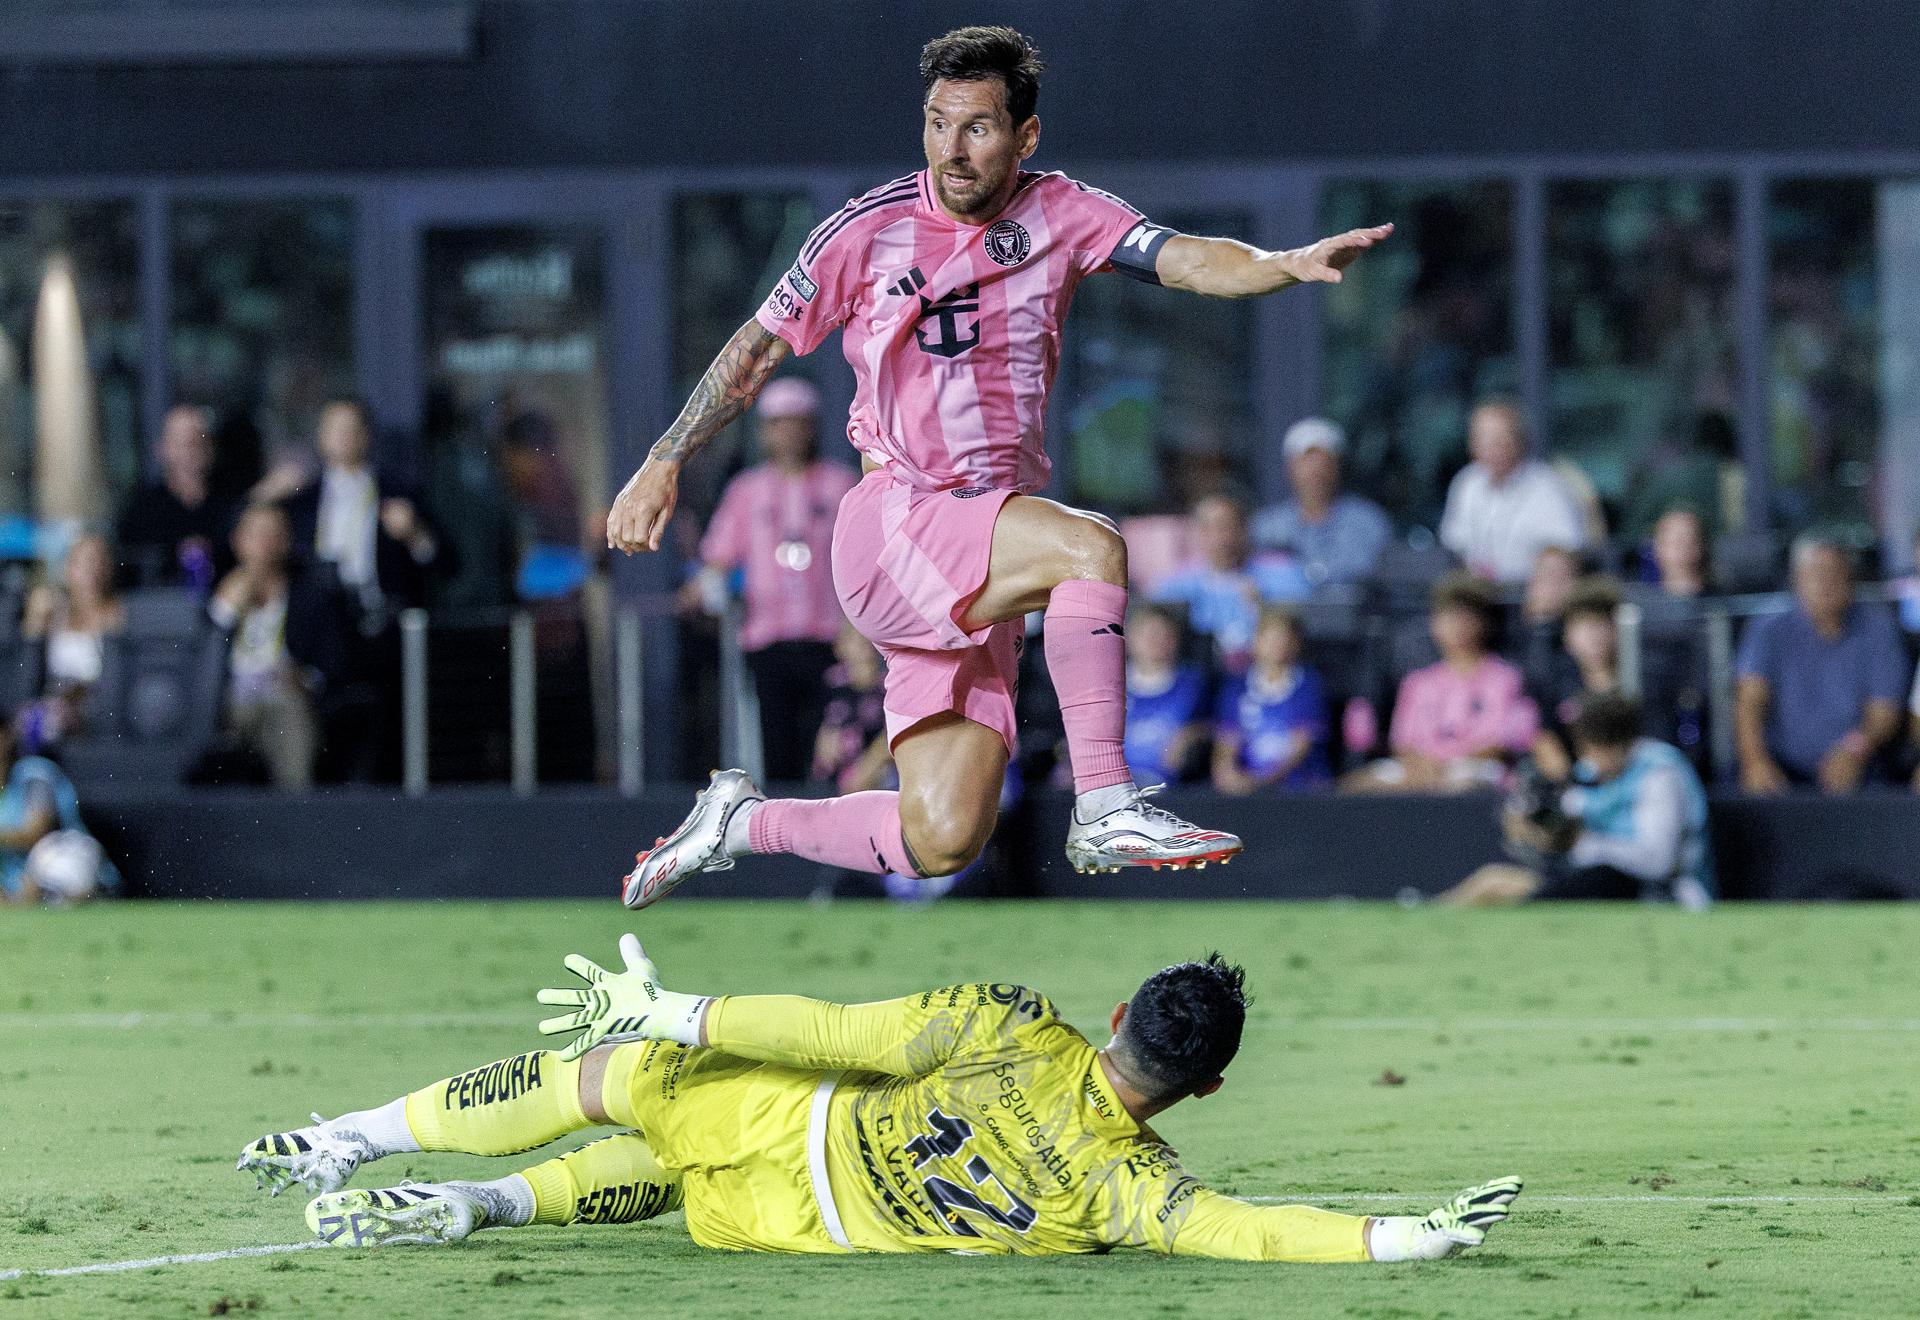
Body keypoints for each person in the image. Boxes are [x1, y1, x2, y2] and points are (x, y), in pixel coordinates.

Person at [605, 26, 1391, 893]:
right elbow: (755, 351)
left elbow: (1187, 259)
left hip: (986, 546)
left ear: (1026, 136)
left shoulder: (1062, 211)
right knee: (1092, 548)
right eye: (939, 123)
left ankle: (743, 821)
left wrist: (1281, 264)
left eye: (977, 126)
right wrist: (662, 458)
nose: (953, 149)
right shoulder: (867, 231)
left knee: (941, 835)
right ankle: (1105, 804)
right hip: (901, 522)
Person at [239, 937, 1522, 1262]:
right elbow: (1247, 1228)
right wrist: (1397, 1235)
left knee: (608, 1082)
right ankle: (484, 1209)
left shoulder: (1017, 1024)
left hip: (780, 1117)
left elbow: (835, 1029)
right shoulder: (1136, 1190)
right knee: (663, 1186)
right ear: (1209, 1086)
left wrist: (680, 1013)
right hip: (802, 1231)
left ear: (1121, 1013)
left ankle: (345, 1139)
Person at [685, 378, 859, 781]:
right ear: (765, 432)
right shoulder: (746, 491)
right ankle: (784, 829)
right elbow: (718, 556)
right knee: (775, 744)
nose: (788, 433)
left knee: (830, 747)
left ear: (811, 426)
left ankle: (826, 830)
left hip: (831, 637)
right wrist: (697, 591)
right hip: (767, 638)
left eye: (797, 423)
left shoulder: (840, 485)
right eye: (778, 424)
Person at [1439, 694, 1713, 909]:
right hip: (1595, 880)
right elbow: (1566, 835)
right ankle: (1429, 913)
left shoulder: (1659, 775)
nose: (1585, 756)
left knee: (1510, 892)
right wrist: (1537, 834)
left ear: (1620, 744)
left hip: (1662, 893)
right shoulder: (1589, 773)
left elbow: (1658, 862)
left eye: (1592, 747)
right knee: (1493, 878)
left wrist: (1586, 845)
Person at [1735, 537, 1907, 794]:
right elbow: (1749, 701)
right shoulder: (1768, 628)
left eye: (1836, 573)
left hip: (1859, 762)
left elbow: (1885, 712)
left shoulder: (1879, 629)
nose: (1827, 582)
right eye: (1816, 573)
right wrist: (1755, 759)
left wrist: (1854, 749)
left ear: (1851, 580)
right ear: (1797, 580)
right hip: (1781, 762)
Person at [1344, 573, 1538, 792]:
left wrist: (1447, 764)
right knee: (1358, 784)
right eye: (1449, 617)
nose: (1458, 626)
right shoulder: (1418, 682)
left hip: (1476, 767)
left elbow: (1501, 744)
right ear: (1434, 624)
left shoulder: (1505, 678)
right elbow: (1402, 742)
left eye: (1467, 616)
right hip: (1421, 766)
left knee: (1467, 783)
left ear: (1485, 622)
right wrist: (1421, 766)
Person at [207, 504, 351, 790]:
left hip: (284, 696)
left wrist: (304, 679)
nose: (263, 543)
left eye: (272, 534)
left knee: (290, 710)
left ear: (286, 541)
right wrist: (225, 611)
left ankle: (295, 809)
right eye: (255, 534)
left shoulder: (310, 596)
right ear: (238, 541)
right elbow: (199, 660)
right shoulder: (221, 592)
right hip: (229, 702)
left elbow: (334, 663)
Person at [1149, 493, 1310, 666]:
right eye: (1208, 528)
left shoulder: (1283, 572)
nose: (1221, 539)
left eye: (1227, 527)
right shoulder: (1176, 585)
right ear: (1196, 534)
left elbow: (1305, 627)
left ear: (1245, 529)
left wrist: (1264, 607)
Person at [1438, 401, 1586, 583]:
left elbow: (1566, 552)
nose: (1493, 447)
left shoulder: (1546, 486)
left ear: (1519, 440)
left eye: (1500, 439)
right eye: (1485, 439)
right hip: (1479, 592)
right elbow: (1454, 544)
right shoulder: (1467, 482)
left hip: (1528, 593)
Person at [1250, 417, 1391, 590]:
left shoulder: (1369, 523)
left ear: (1338, 467)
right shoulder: (1266, 526)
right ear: (1289, 468)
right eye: (1307, 462)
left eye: (1324, 462)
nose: (1316, 471)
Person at [17, 532, 126, 752]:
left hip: (96, 705)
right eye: (83, 564)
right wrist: (34, 621)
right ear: (68, 569)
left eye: (98, 562)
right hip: (53, 701)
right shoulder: (55, 613)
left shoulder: (118, 614)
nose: (91, 572)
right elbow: (26, 670)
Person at [113, 404, 237, 589]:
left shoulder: (232, 504)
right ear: (162, 449)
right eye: (182, 441)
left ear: (211, 447)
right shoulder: (141, 508)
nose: (191, 448)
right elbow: (128, 564)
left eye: (199, 439)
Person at [1211, 607, 1330, 794]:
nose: (1279, 646)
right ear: (1256, 642)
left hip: (1298, 786)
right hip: (1246, 785)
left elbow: (1302, 744)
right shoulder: (1237, 687)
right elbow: (1227, 740)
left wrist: (1263, 782)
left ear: (1296, 644)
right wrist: (1226, 774)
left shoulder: (1309, 685)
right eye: (1271, 639)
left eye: (1285, 639)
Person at [1123, 603, 1210, 785]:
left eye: (1166, 635)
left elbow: (1216, 727)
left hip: (1171, 786)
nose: (1158, 641)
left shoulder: (1194, 684)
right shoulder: (1110, 685)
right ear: (1131, 638)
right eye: (1150, 635)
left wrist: (1190, 735)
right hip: (1115, 785)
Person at [810, 624, 893, 795]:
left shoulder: (889, 681)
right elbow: (825, 725)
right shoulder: (833, 681)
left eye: (867, 638)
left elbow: (891, 736)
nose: (864, 645)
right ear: (839, 646)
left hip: (881, 772)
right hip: (838, 775)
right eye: (855, 639)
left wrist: (866, 770)